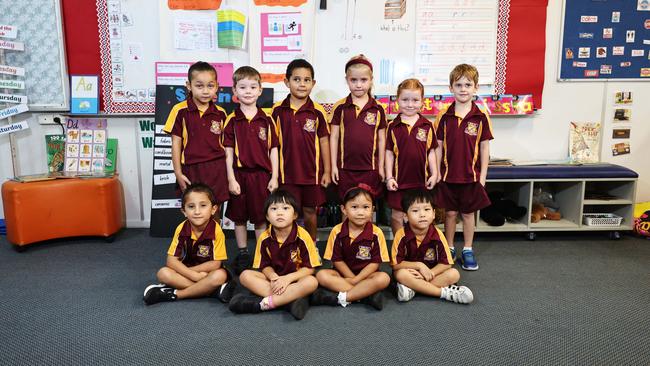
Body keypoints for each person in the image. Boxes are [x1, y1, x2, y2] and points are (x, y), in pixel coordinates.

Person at [434, 64, 493, 271]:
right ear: (451, 88)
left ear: (475, 88)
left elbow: (485, 148)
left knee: (468, 214)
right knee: (449, 213)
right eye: (458, 84)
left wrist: (483, 177)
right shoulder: (444, 116)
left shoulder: (481, 116)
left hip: (471, 177)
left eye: (468, 84)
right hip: (448, 176)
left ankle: (467, 249)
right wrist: (437, 173)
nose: (463, 89)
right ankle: (449, 247)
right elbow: (438, 147)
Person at [229, 190, 321, 320]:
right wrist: (273, 277)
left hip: (295, 279)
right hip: (274, 281)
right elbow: (264, 266)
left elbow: (310, 268)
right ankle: (289, 301)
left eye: (285, 208)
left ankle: (266, 303)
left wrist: (288, 279)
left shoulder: (303, 236)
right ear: (267, 216)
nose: (279, 212)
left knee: (312, 282)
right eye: (273, 209)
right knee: (245, 276)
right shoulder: (264, 237)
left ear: (295, 215)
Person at [223, 66, 279, 274]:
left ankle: (261, 253)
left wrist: (275, 176)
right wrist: (230, 179)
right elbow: (227, 152)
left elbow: (274, 150)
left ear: (260, 90)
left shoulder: (267, 119)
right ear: (234, 91)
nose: (248, 91)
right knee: (239, 217)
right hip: (239, 175)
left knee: (260, 217)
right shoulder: (232, 120)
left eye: (252, 87)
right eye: (243, 87)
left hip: (261, 176)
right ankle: (243, 252)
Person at [143, 183, 235, 305]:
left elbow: (215, 264)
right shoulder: (181, 229)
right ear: (184, 211)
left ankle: (177, 294)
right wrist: (193, 275)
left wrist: (193, 272)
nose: (197, 211)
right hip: (188, 272)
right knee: (163, 273)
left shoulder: (216, 230)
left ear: (213, 209)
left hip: (207, 273)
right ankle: (212, 290)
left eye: (203, 206)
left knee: (219, 276)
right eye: (191, 206)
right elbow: (171, 261)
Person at [271, 59, 331, 243]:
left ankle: (311, 247)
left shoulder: (317, 111)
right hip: (286, 173)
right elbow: (272, 145)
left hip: (311, 174)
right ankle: (290, 246)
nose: (302, 84)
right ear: (286, 82)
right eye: (297, 79)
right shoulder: (277, 111)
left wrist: (327, 171)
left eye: (307, 80)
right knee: (288, 212)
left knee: (310, 211)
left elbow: (324, 142)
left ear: (313, 83)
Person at [163, 61, 229, 212]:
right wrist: (178, 173)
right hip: (191, 169)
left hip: (216, 169)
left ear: (217, 87)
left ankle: (214, 236)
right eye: (199, 86)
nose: (205, 91)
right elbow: (176, 144)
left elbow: (226, 146)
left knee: (214, 210)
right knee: (194, 211)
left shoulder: (221, 113)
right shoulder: (179, 110)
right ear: (189, 85)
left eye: (210, 86)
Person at [311, 184, 390, 310]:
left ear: (372, 210)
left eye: (365, 207)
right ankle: (365, 295)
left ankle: (342, 298)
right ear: (344, 209)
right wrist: (352, 279)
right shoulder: (337, 231)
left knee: (384, 278)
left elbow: (375, 263)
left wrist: (358, 278)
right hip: (343, 275)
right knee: (321, 275)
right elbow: (337, 260)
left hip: (367, 276)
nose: (360, 212)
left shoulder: (376, 232)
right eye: (354, 207)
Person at [391, 189, 474, 304]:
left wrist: (431, 273)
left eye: (427, 209)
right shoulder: (401, 234)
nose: (422, 214)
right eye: (415, 211)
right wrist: (419, 266)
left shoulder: (438, 235)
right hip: (410, 273)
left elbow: (446, 263)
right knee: (400, 274)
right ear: (405, 216)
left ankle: (413, 289)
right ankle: (444, 293)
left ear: (433, 213)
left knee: (454, 274)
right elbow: (396, 264)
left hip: (430, 274)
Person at [329, 55, 386, 201]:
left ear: (371, 80)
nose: (359, 85)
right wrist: (333, 166)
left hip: (370, 169)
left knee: (366, 206)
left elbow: (381, 140)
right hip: (345, 168)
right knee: (347, 206)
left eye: (364, 80)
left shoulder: (378, 109)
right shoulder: (340, 107)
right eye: (353, 80)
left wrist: (381, 166)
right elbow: (334, 138)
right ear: (347, 80)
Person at [385, 78, 438, 235]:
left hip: (420, 180)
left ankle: (419, 246)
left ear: (422, 102)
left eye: (415, 100)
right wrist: (389, 177)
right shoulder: (392, 126)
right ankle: (399, 247)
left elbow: (432, 152)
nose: (410, 104)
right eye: (405, 100)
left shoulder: (427, 125)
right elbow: (389, 154)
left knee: (420, 215)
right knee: (397, 216)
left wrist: (434, 174)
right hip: (398, 181)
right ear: (397, 100)